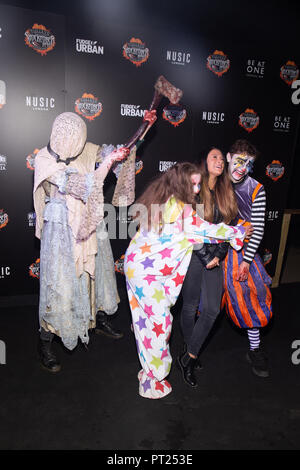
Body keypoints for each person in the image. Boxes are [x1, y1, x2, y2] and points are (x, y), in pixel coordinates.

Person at [124, 162, 247, 399]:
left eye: (199, 183)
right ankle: (153, 379)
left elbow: (195, 232)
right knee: (159, 323)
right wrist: (238, 233)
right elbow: (208, 230)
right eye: (193, 183)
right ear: (180, 183)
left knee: (146, 323)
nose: (198, 188)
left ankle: (150, 372)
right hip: (144, 274)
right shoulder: (178, 209)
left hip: (139, 269)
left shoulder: (165, 200)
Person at [33, 112, 132, 372]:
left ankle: (98, 318)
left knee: (98, 273)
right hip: (61, 231)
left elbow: (117, 156)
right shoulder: (44, 158)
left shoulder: (88, 149)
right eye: (66, 134)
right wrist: (108, 162)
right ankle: (45, 341)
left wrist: (132, 144)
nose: (70, 140)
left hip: (89, 222)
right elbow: (80, 184)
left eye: (75, 135)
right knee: (60, 285)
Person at [178, 147, 243, 388]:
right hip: (195, 255)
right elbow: (188, 225)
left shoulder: (227, 190)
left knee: (213, 310)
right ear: (204, 162)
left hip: (217, 256)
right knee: (190, 306)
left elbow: (231, 228)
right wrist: (205, 256)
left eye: (221, 158)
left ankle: (188, 357)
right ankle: (189, 347)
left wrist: (219, 253)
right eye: (214, 157)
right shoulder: (194, 187)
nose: (219, 161)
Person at [223, 139, 273, 377]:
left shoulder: (256, 188)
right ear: (228, 157)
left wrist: (246, 260)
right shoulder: (214, 181)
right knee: (204, 304)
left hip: (241, 255)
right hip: (212, 250)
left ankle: (255, 349)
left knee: (250, 299)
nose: (242, 167)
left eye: (249, 163)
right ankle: (192, 351)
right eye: (239, 160)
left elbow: (259, 228)